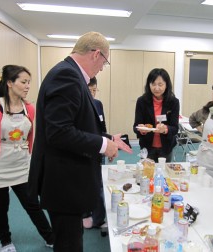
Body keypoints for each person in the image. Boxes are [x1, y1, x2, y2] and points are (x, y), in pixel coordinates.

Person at [28, 32, 132, 252]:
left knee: (71, 240)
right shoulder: (66, 76)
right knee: (69, 245)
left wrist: (107, 139)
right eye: (105, 61)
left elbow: (76, 125)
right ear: (96, 54)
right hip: (63, 183)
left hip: (66, 181)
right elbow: (59, 132)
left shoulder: (69, 74)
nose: (103, 67)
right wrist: (103, 146)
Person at [0, 65, 54, 252]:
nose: (27, 86)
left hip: (21, 165)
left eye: (29, 82)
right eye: (23, 82)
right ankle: (5, 241)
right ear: (9, 83)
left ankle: (50, 237)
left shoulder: (29, 108)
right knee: (0, 208)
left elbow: (29, 137)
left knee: (32, 204)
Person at [133, 68, 179, 162]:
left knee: (164, 174)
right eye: (153, 84)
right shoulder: (142, 101)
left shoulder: (173, 102)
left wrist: (165, 129)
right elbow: (135, 127)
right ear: (148, 85)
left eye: (160, 84)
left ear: (167, 85)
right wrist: (142, 129)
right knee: (146, 173)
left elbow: (175, 128)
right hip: (147, 147)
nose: (156, 88)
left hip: (166, 147)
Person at [82, 77, 107, 229]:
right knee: (84, 184)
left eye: (94, 90)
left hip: (99, 148)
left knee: (99, 185)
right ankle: (85, 214)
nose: (92, 93)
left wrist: (107, 145)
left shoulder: (98, 104)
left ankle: (98, 218)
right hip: (84, 150)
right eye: (89, 90)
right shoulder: (80, 105)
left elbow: (102, 127)